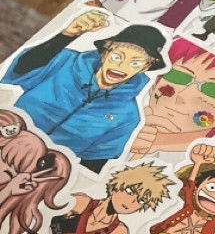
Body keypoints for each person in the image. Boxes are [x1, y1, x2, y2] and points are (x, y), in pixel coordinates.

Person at [5, 11, 167, 164]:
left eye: (135, 63)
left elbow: (95, 163)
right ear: (105, 53)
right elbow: (20, 69)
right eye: (117, 56)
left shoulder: (128, 115)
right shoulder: (65, 61)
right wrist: (66, 36)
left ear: (146, 67)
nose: (121, 66)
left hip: (36, 169)